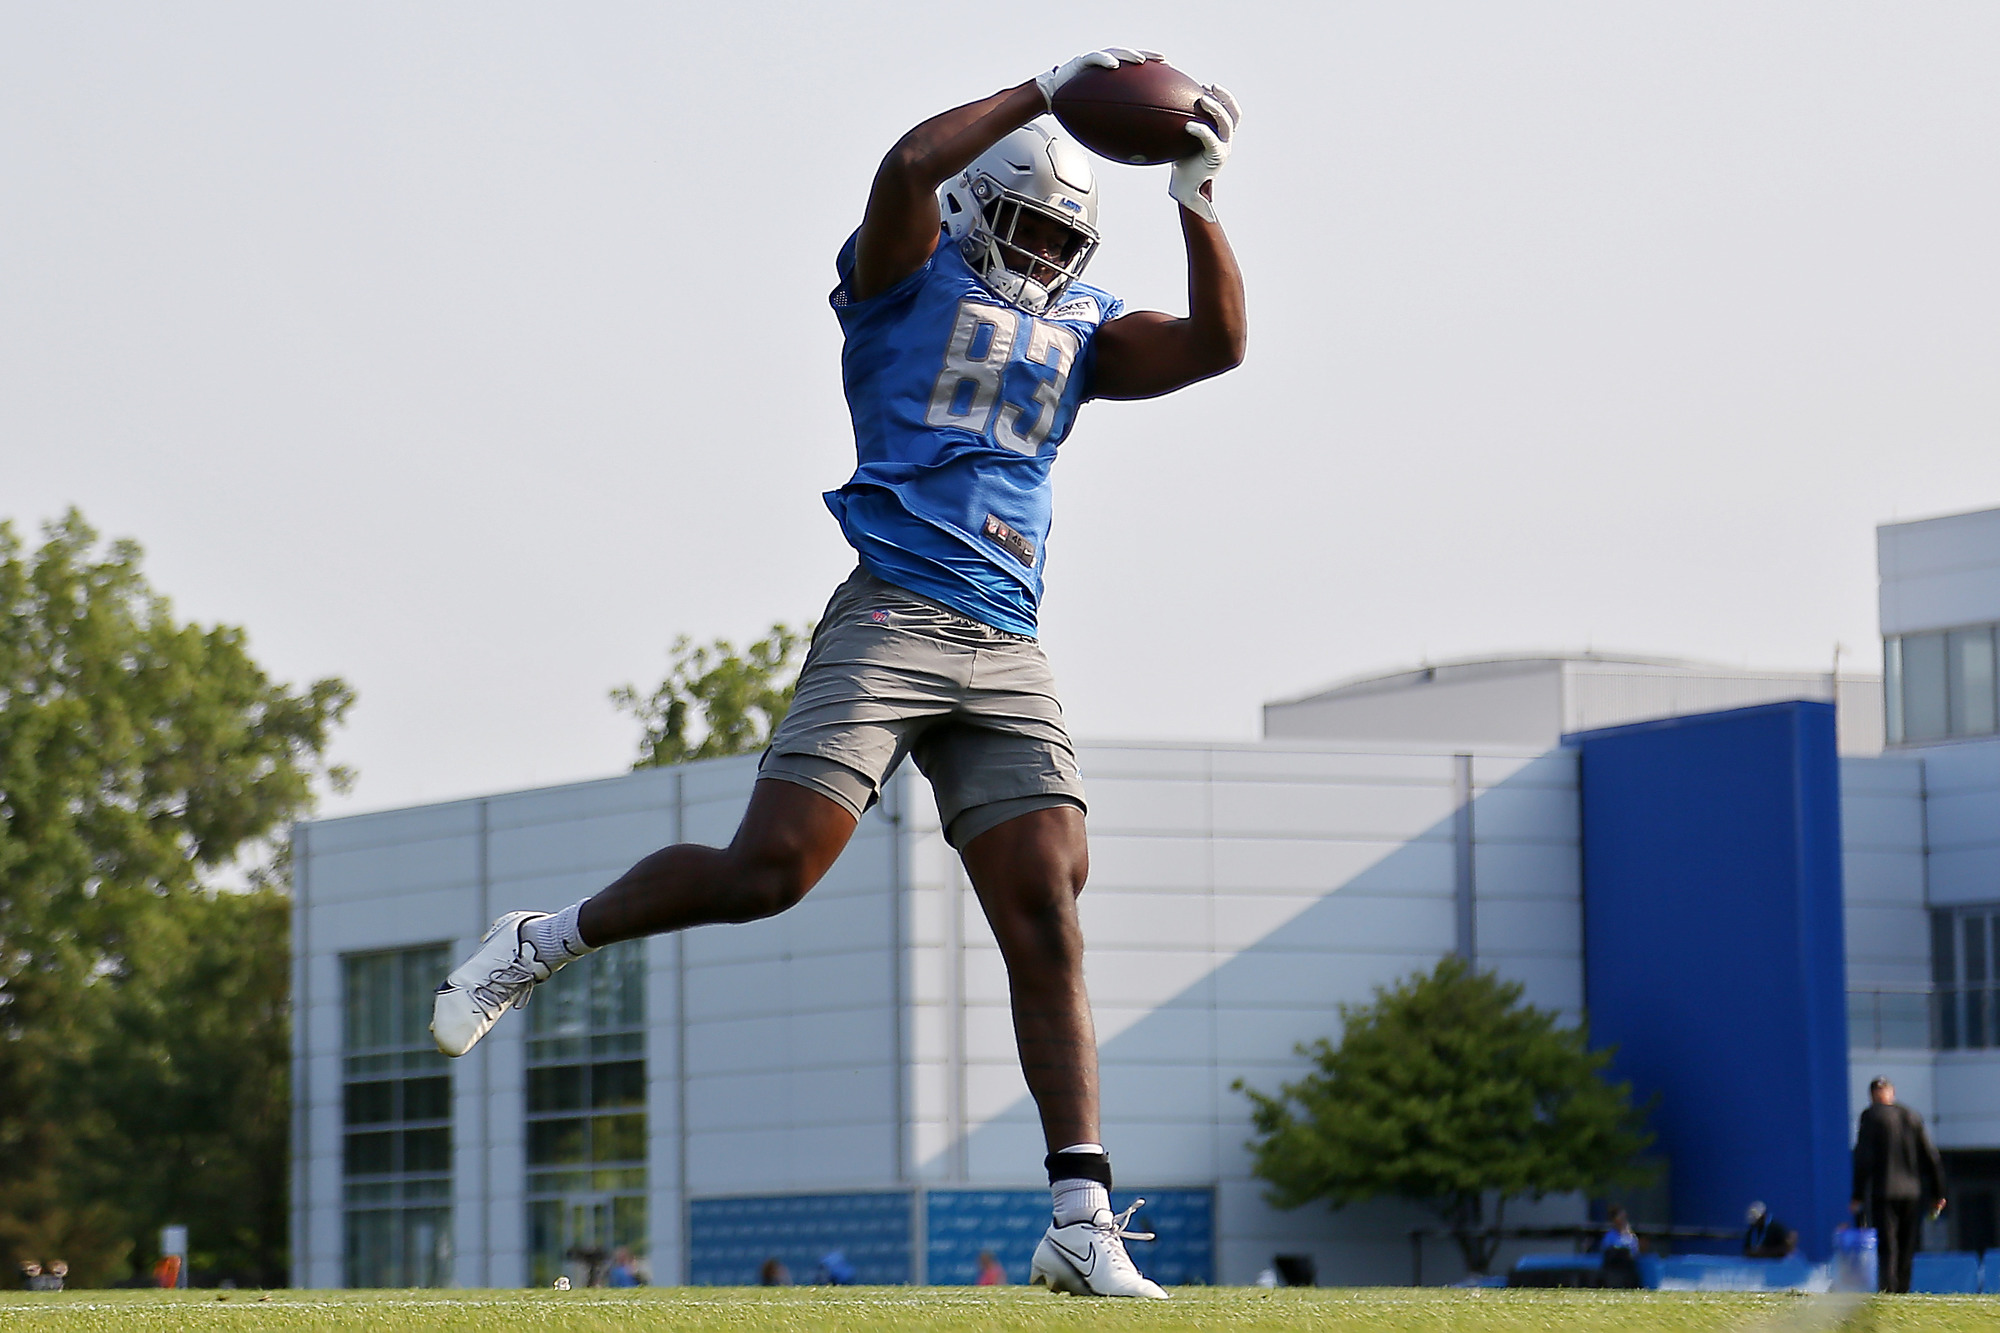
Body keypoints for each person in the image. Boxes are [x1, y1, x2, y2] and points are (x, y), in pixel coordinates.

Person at [430, 47, 1246, 1303]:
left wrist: (1195, 198)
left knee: (1047, 904)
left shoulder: (1077, 328)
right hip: (893, 611)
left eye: (1055, 240)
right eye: (1019, 224)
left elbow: (1217, 346)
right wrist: (1046, 85)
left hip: (1007, 635)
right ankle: (542, 941)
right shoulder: (898, 276)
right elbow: (908, 163)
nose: (1038, 257)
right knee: (770, 873)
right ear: (976, 211)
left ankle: (1079, 1218)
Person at [1851, 1076, 1946, 1294]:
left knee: (1888, 1245)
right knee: (1907, 1244)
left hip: (1883, 1191)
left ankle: (1889, 1290)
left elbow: (1863, 1157)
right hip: (1912, 1192)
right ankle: (1903, 1289)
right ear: (1891, 1093)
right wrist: (1938, 1192)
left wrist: (1857, 1193)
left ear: (1872, 1095)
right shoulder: (1912, 1116)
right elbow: (1931, 1156)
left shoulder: (1871, 1116)